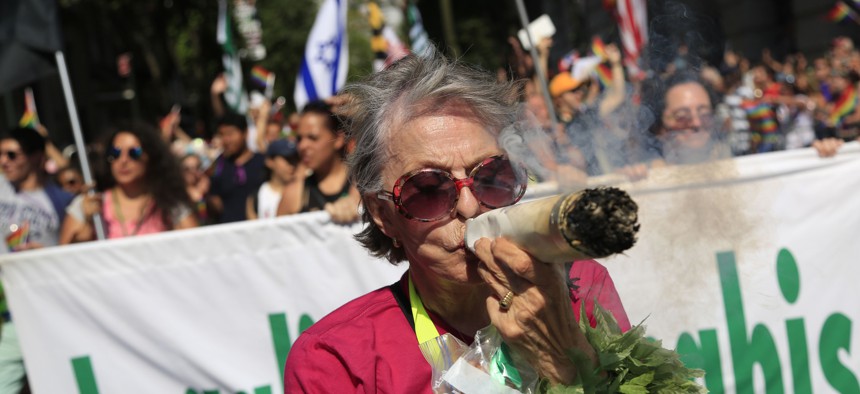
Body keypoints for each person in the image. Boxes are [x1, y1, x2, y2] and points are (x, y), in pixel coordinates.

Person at [284, 49, 631, 392]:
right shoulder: (336, 360)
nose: (469, 206)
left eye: (492, 176)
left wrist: (567, 360)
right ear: (383, 215)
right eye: (428, 188)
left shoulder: (580, 286)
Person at [0, 127, 74, 394]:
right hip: (7, 314)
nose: (3, 161)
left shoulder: (61, 201)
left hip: (46, 306)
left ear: (35, 157)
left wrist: (44, 255)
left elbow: (71, 253)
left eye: (12, 154)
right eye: (0, 154)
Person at [59, 122, 197, 243]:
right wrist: (87, 227)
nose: (123, 160)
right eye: (115, 153)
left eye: (134, 153)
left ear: (151, 156)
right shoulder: (89, 203)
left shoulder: (168, 204)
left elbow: (198, 247)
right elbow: (63, 262)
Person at [278, 100, 359, 223]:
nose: (302, 146)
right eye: (299, 138)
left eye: (313, 137)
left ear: (338, 139)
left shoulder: (363, 188)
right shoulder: (293, 194)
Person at [641, 71, 731, 166]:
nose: (696, 123)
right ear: (660, 128)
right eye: (682, 117)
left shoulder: (736, 163)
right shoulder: (648, 173)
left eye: (704, 114)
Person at [207, 112, 266, 223]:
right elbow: (216, 205)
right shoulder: (217, 166)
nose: (226, 140)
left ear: (245, 133)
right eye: (222, 135)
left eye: (230, 134)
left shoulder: (262, 162)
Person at [246, 138, 303, 219]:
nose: (292, 165)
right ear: (270, 161)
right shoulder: (256, 196)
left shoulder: (304, 191)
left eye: (295, 159)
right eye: (287, 159)